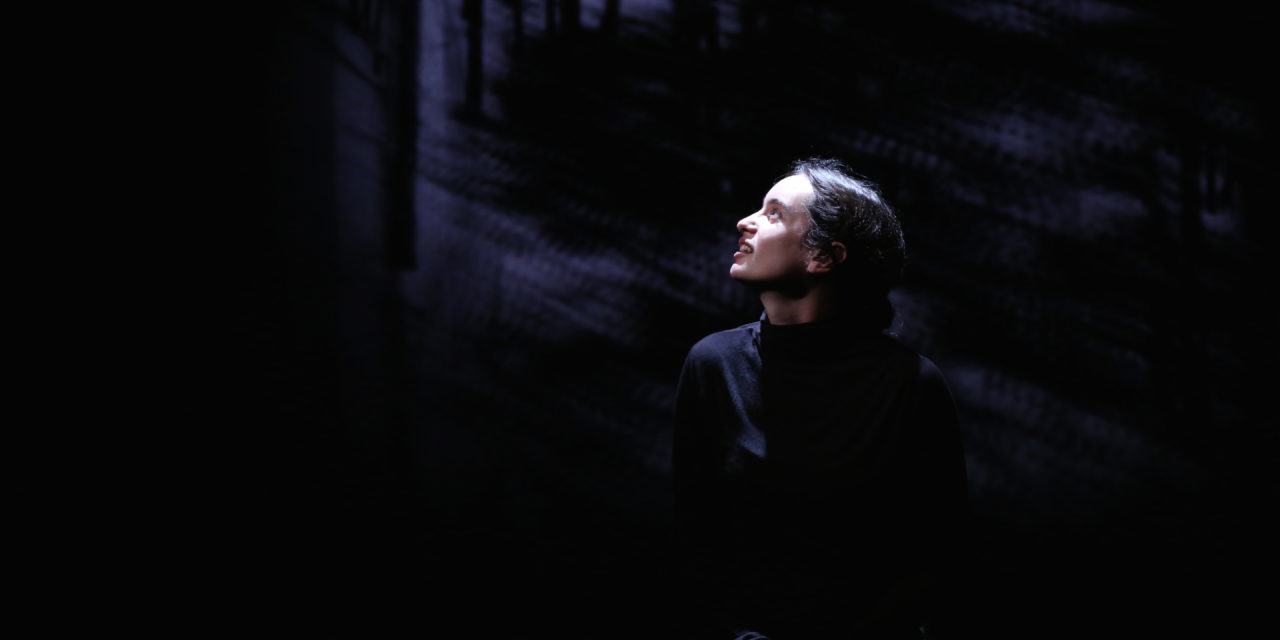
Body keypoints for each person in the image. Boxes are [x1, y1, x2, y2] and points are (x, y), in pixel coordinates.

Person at [672, 158, 968, 639]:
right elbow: (694, 534)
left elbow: (937, 554)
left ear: (824, 257)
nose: (745, 221)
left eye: (774, 213)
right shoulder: (713, 365)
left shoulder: (911, 384)